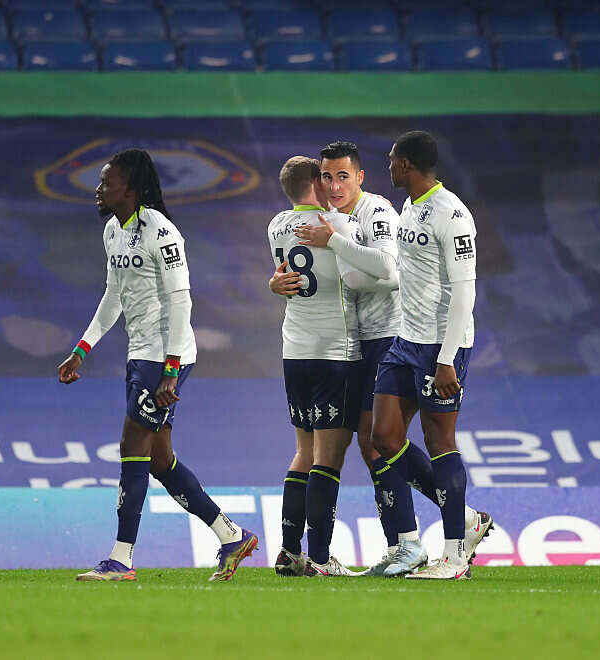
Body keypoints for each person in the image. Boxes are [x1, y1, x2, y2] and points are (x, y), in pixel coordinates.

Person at [58, 148, 257, 582]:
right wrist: (82, 349)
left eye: (107, 182)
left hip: (166, 356)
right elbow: (113, 295)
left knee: (132, 446)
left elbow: (180, 300)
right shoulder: (113, 231)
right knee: (160, 460)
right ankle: (231, 535)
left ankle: (121, 558)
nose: (98, 189)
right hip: (141, 355)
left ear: (129, 188)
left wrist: (170, 369)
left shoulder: (162, 232)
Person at [295, 141, 425, 577]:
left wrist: (334, 243)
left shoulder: (376, 211)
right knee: (373, 448)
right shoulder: (327, 219)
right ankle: (412, 538)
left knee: (379, 441)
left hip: (390, 337)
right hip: (353, 345)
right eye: (327, 177)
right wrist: (279, 284)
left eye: (343, 177)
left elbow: (388, 269)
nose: (334, 186)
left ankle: (410, 540)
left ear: (360, 177)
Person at [369, 130, 491, 580]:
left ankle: (455, 556)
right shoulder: (408, 207)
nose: (388, 166)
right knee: (383, 438)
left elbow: (464, 293)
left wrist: (446, 358)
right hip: (405, 341)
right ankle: (467, 516)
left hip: (440, 346)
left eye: (391, 160)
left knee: (440, 442)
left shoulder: (452, 215)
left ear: (405, 164)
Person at [266, 156, 369, 578]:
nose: (332, 184)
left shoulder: (275, 225)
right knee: (328, 459)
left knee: (303, 452)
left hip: (295, 351)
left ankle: (290, 552)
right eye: (325, 178)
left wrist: (273, 283)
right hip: (334, 351)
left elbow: (284, 274)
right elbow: (371, 272)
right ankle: (322, 559)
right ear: (316, 184)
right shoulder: (339, 226)